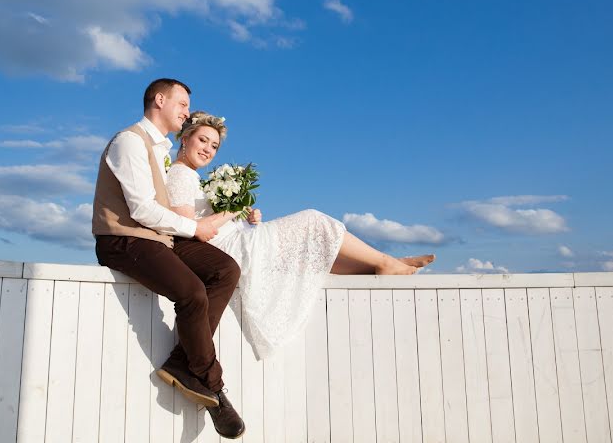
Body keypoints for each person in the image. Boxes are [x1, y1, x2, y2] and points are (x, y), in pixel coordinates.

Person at [166, 111, 435, 360]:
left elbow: (208, 218)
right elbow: (189, 228)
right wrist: (232, 208)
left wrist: (242, 216)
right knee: (314, 221)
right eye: (203, 140)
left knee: (308, 251)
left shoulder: (192, 177)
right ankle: (386, 263)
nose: (208, 150)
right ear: (185, 138)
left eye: (214, 146)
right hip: (225, 250)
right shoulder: (179, 174)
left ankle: (382, 265)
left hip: (233, 239)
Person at [92, 80, 245, 439]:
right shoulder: (129, 141)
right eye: (181, 103)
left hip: (157, 237)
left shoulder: (161, 149)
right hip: (122, 238)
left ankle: (181, 362)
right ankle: (215, 388)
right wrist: (194, 229)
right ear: (159, 100)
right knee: (192, 292)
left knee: (225, 269)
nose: (186, 111)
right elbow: (142, 209)